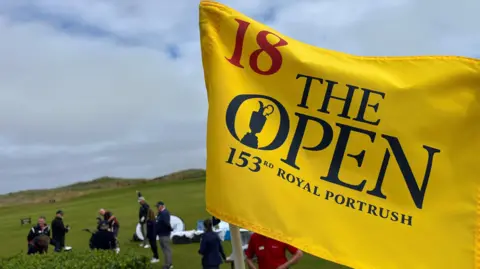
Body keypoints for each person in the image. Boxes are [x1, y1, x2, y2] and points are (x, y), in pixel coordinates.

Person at [156, 201, 173, 269]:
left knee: (166, 249)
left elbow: (166, 223)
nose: (157, 208)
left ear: (162, 206)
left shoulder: (164, 213)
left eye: (158, 206)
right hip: (161, 234)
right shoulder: (161, 213)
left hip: (164, 234)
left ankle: (168, 264)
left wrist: (169, 229)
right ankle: (167, 263)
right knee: (164, 250)